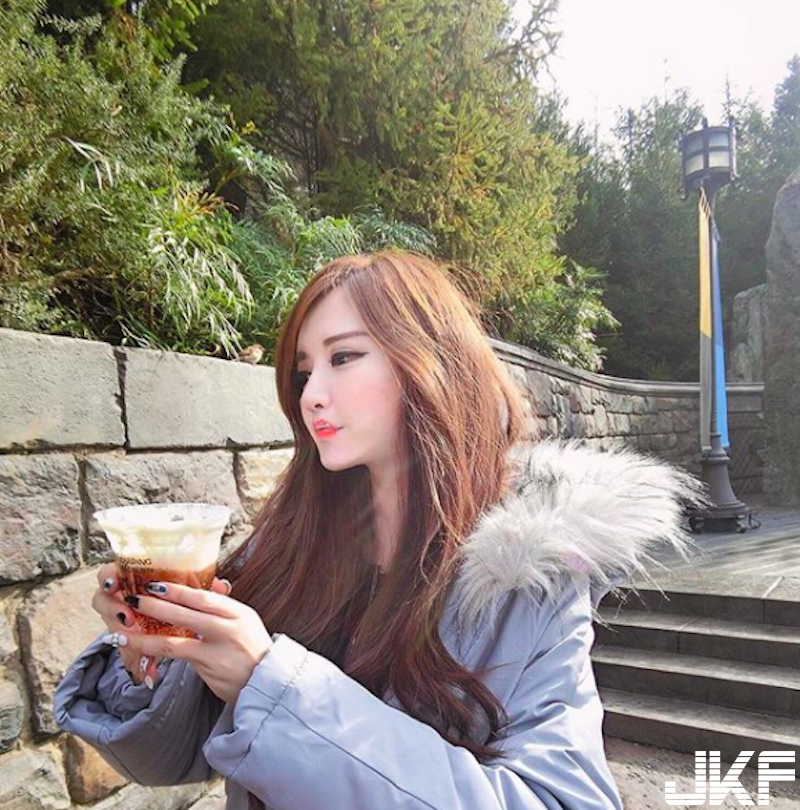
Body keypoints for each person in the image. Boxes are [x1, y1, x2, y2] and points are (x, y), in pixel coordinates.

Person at [55, 251, 705, 810]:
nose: (311, 394)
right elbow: (169, 761)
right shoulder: (286, 546)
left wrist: (273, 690)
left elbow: (561, 799)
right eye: (304, 370)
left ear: (432, 363)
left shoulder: (529, 580)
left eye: (344, 357)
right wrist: (152, 660)